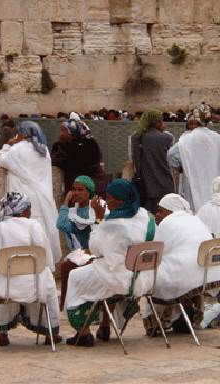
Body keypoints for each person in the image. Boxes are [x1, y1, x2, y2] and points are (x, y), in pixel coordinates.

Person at [65, 179, 156, 347]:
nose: (106, 202)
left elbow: (95, 249)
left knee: (76, 277)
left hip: (122, 280)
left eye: (109, 198)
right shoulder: (146, 216)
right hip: (145, 278)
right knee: (100, 276)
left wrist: (98, 220)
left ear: (120, 201)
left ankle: (83, 332)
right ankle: (105, 325)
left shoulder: (113, 223)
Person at [0, 192, 61, 346]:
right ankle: (51, 333)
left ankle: (2, 333)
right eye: (29, 208)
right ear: (22, 210)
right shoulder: (34, 226)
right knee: (46, 275)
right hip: (33, 286)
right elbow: (46, 258)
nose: (30, 212)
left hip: (3, 287)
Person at [143, 194, 218, 335]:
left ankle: (158, 321)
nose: (158, 214)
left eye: (161, 211)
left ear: (170, 210)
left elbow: (158, 253)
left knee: (152, 276)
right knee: (176, 268)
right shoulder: (195, 219)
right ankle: (183, 313)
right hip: (208, 276)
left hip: (187, 276)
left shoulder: (167, 223)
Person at [0, 121, 61, 270]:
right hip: (40, 201)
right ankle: (44, 270)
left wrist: (7, 145)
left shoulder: (17, 150)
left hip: (22, 202)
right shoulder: (43, 151)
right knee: (40, 237)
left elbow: (1, 160)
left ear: (21, 133)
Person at [56, 176, 102, 311]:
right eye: (74, 190)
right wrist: (66, 201)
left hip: (96, 252)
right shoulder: (72, 213)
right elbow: (61, 224)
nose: (76, 193)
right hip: (80, 254)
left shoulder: (97, 208)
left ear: (89, 192)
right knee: (66, 267)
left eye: (80, 190)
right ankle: (66, 307)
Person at [168, 103, 220, 213]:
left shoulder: (187, 140)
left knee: (193, 215)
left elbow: (171, 156)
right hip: (213, 184)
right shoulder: (217, 138)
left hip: (192, 185)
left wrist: (183, 166)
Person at [130, 109, 175, 215]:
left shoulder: (136, 138)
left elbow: (134, 158)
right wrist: (161, 132)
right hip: (165, 184)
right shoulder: (167, 137)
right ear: (157, 122)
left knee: (147, 219)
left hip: (145, 187)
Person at [51, 113, 108, 196]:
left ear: (72, 134)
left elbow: (54, 160)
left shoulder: (72, 150)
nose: (60, 134)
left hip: (85, 191)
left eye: (63, 131)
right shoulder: (91, 142)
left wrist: (59, 143)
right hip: (99, 185)